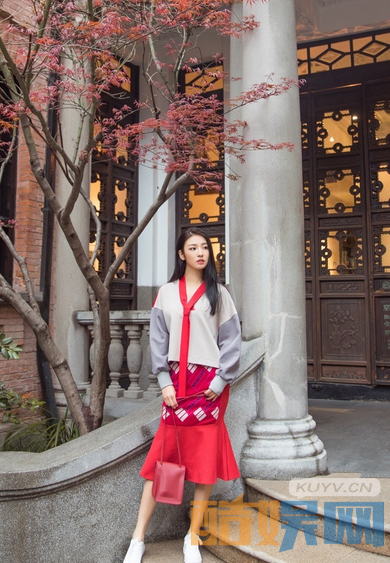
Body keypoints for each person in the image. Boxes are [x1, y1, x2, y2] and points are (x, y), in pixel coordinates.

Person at [123, 227, 242, 563]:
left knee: (204, 463)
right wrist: (164, 380)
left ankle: (192, 537)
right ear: (181, 254)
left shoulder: (219, 294)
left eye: (204, 247)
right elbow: (158, 339)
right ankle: (138, 537)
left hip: (209, 386)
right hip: (175, 383)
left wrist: (220, 382)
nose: (200, 253)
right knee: (161, 459)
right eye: (193, 247)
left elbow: (231, 340)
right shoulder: (166, 293)